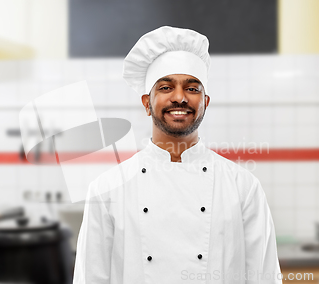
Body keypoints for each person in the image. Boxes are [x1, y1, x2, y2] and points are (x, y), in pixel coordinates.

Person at [73, 26, 282, 284]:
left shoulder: (243, 187)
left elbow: (264, 278)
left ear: (205, 102)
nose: (180, 98)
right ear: (147, 103)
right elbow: (90, 278)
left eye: (192, 88)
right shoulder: (106, 190)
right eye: (165, 87)